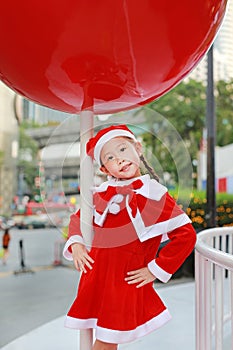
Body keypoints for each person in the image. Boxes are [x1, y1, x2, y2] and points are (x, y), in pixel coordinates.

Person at [63, 124, 196, 350]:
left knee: (105, 343)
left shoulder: (154, 194)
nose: (120, 159)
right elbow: (78, 219)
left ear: (138, 148)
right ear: (105, 169)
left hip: (123, 282)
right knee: (107, 340)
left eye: (123, 150)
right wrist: (76, 243)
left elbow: (186, 236)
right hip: (95, 277)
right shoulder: (103, 194)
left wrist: (154, 269)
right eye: (111, 157)